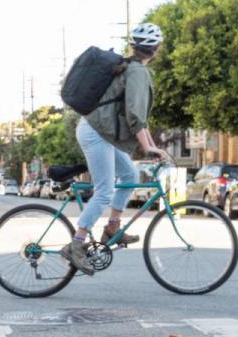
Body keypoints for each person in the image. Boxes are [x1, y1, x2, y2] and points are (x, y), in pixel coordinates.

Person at [61, 23, 169, 275]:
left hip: (102, 132)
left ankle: (112, 227)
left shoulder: (131, 67)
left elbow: (134, 116)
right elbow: (135, 115)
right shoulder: (137, 72)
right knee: (105, 190)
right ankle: (76, 245)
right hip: (95, 133)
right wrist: (149, 147)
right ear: (156, 49)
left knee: (130, 176)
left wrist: (150, 146)